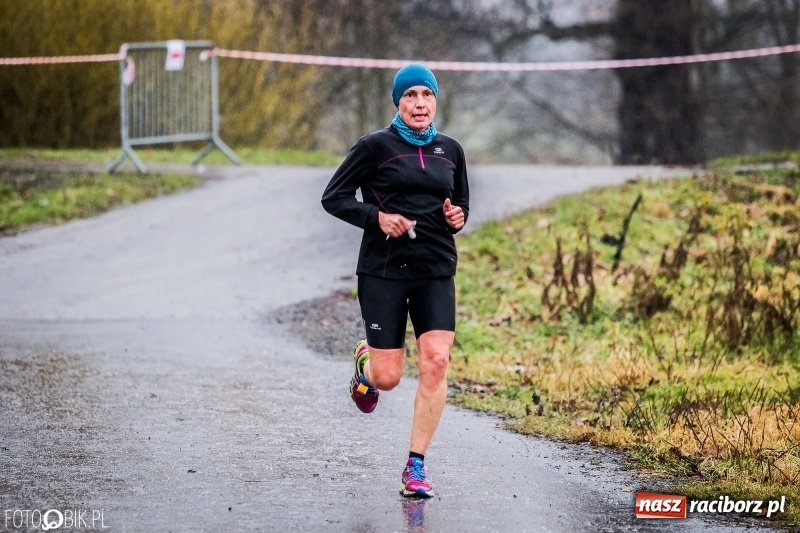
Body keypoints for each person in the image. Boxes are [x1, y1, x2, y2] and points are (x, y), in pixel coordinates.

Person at [321, 63, 469, 499]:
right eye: (410, 96)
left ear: (435, 100)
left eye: (426, 94)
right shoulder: (374, 147)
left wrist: (457, 218)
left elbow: (458, 204)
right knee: (388, 379)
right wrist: (377, 217)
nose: (419, 103)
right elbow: (334, 198)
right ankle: (366, 363)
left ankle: (415, 467)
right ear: (398, 103)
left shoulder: (451, 150)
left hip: (436, 268)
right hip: (384, 271)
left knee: (437, 360)